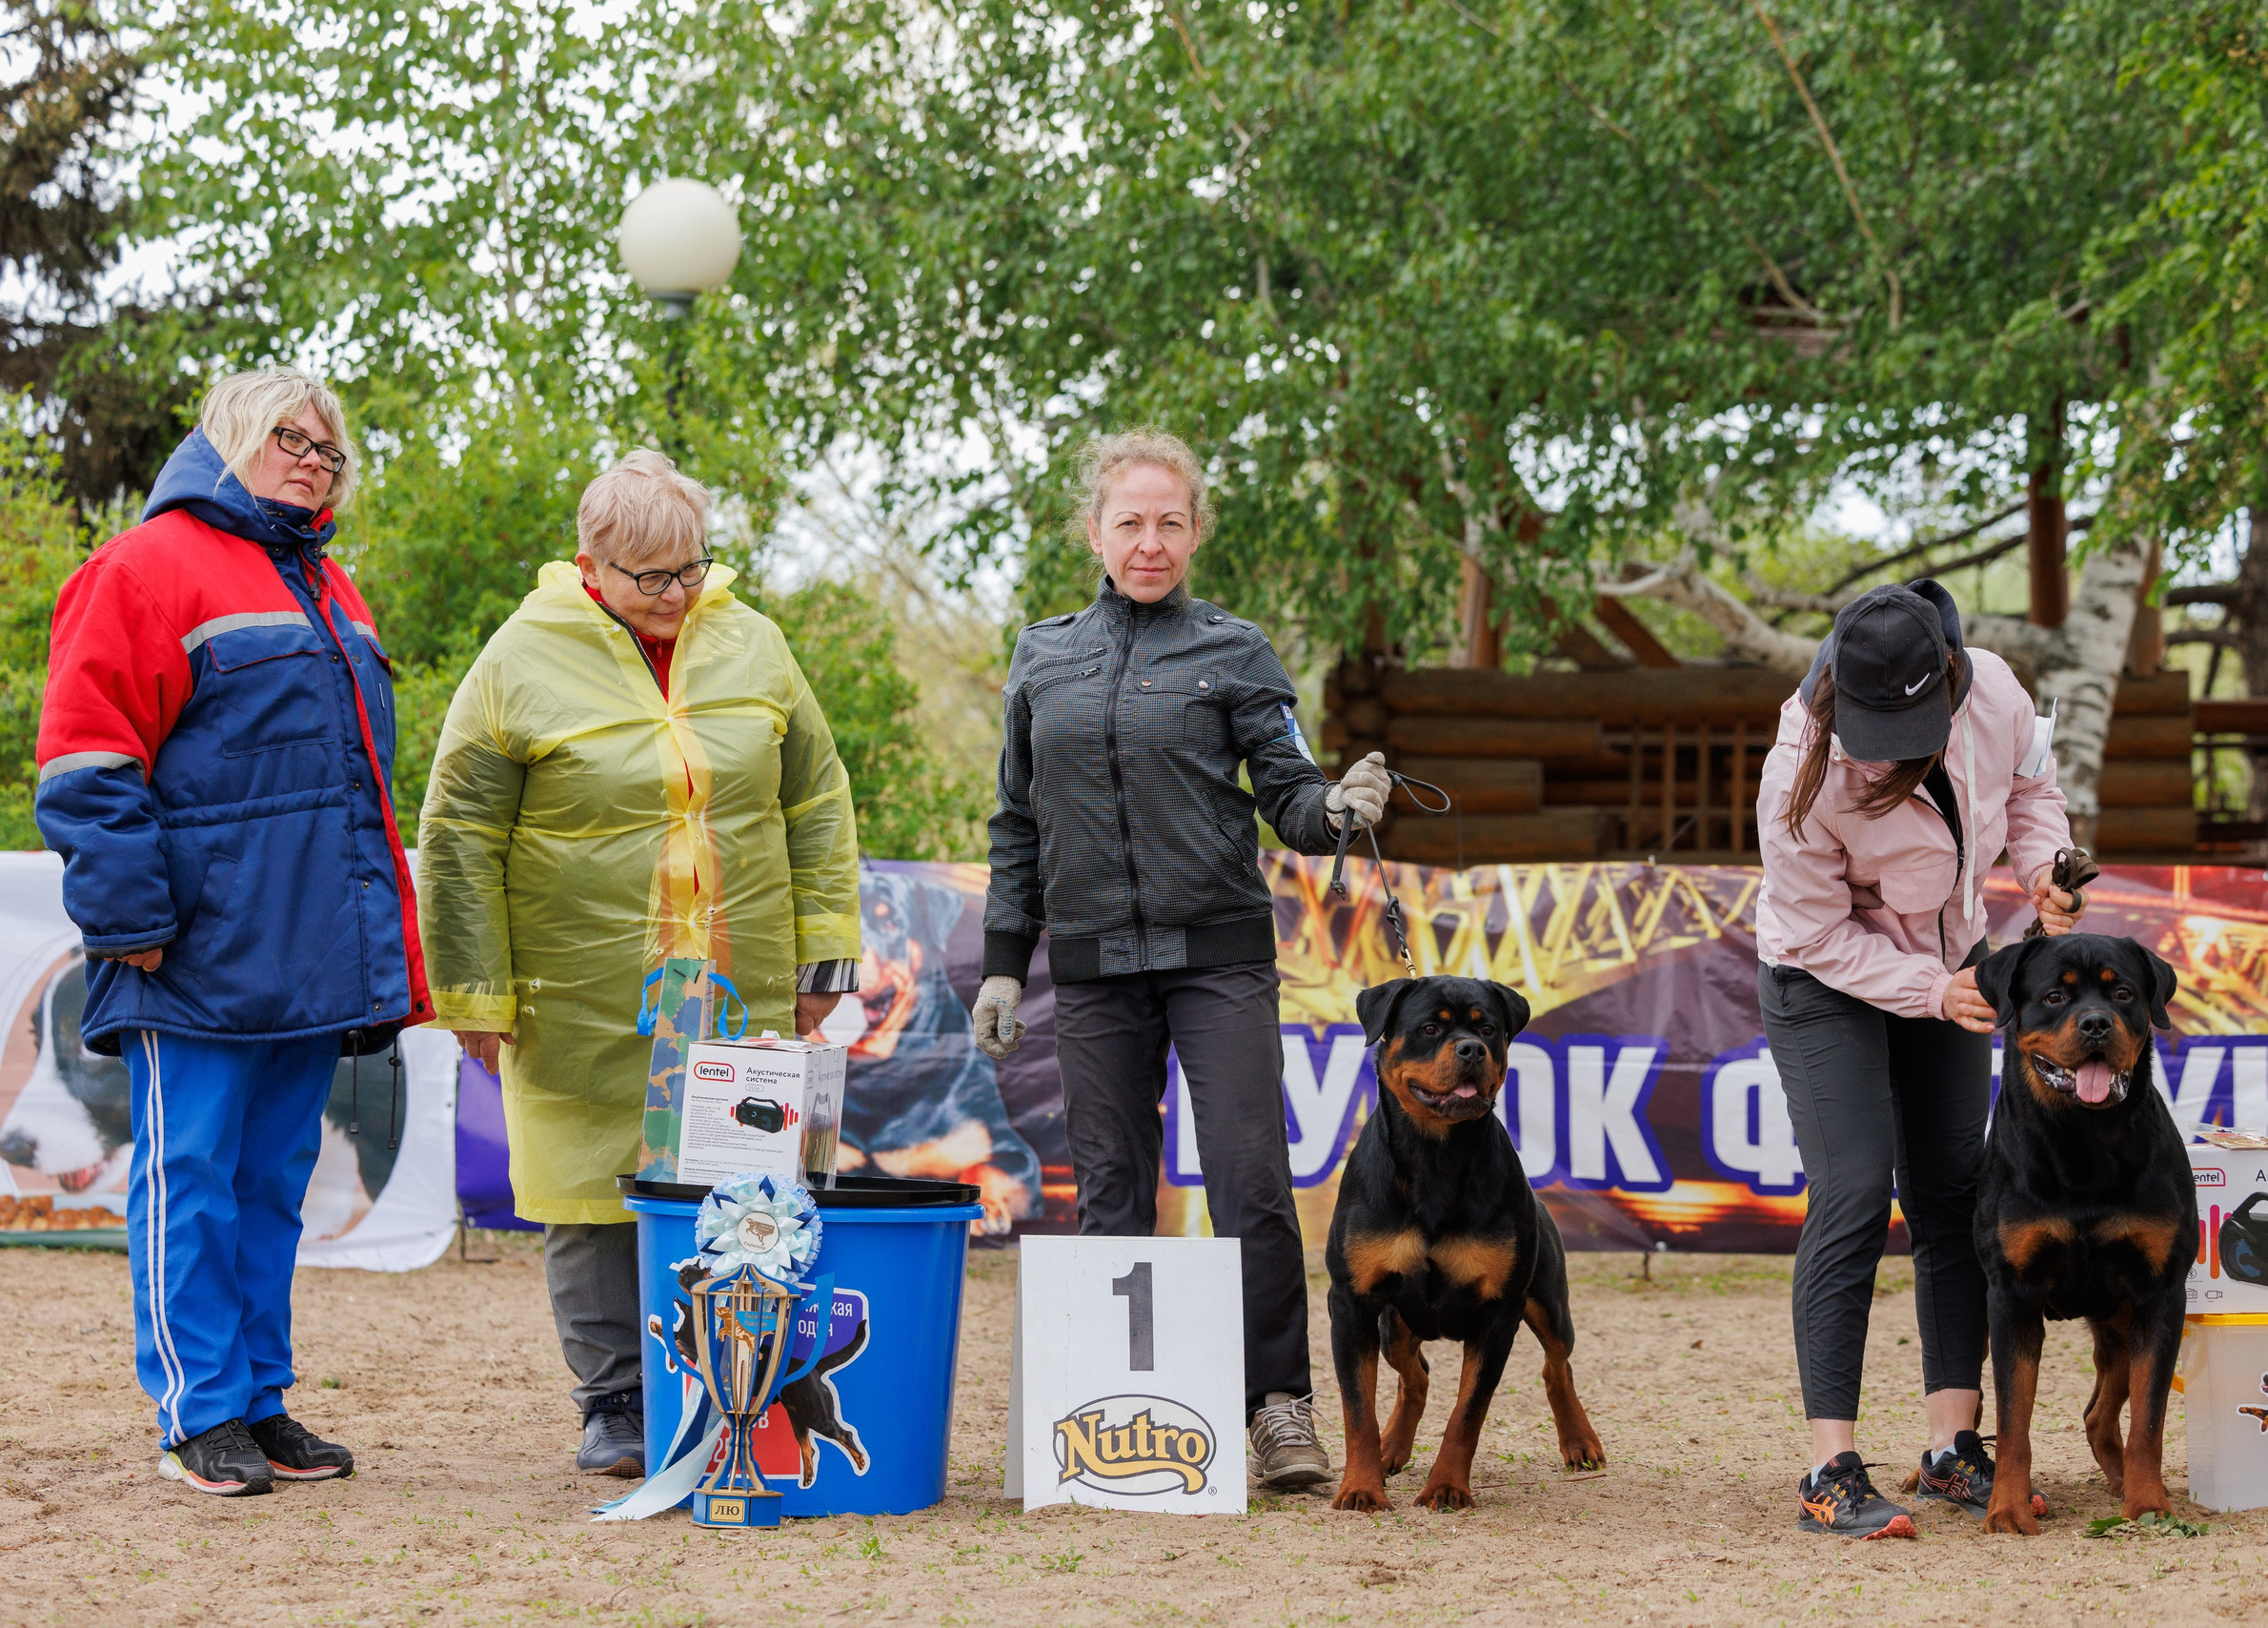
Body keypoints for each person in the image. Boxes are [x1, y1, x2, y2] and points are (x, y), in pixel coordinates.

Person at [417, 450, 861, 1478]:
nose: (674, 595)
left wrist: (824, 957)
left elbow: (816, 797)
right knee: (586, 1188)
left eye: (691, 571)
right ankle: (615, 1398)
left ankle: (736, 1382)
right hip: (573, 985)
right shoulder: (518, 657)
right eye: (648, 577)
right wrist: (472, 989)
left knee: (741, 1179)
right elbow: (458, 830)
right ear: (590, 565)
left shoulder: (754, 642)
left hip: (738, 971)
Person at [971, 429, 1392, 1493]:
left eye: (1169, 522)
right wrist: (1003, 964)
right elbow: (1017, 821)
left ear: (1196, 531)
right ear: (1093, 531)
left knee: (1251, 1180)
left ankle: (1277, 1407)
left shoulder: (1237, 651)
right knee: (1111, 1189)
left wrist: (1332, 809)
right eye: (1129, 522)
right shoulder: (1041, 655)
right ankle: (1111, 1406)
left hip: (1219, 960)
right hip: (1094, 966)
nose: (1149, 541)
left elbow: (1289, 791)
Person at [35, 368, 431, 1496]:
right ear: (230, 437)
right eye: (290, 439)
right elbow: (84, 757)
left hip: (307, 951)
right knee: (192, 1177)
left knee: (270, 1184)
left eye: (330, 449)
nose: (313, 459)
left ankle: (258, 1398)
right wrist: (129, 919)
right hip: (194, 948)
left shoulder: (330, 585)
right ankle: (195, 1410)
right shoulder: (142, 568)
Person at [1754, 580, 2084, 1538]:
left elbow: (2033, 793)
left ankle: (1951, 1448)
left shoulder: (1997, 691)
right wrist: (1932, 992)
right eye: (1871, 726)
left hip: (1950, 963)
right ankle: (1829, 1469)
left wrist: (2043, 868)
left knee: (1952, 1190)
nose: (1889, 748)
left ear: (1949, 680)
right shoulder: (1799, 769)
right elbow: (1816, 936)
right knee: (1853, 1190)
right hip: (1824, 977)